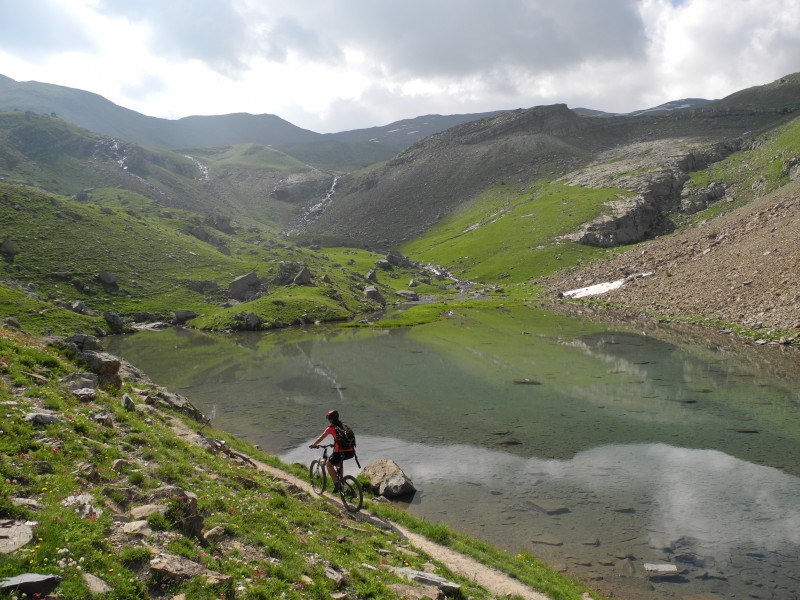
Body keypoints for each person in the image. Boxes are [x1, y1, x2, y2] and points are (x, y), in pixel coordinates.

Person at [309, 409, 354, 492]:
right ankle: (342, 481)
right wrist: (335, 444)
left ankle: (337, 484)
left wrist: (314, 444)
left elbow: (320, 438)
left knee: (329, 464)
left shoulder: (330, 428)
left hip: (340, 452)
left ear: (330, 419)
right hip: (350, 452)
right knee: (339, 463)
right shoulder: (344, 425)